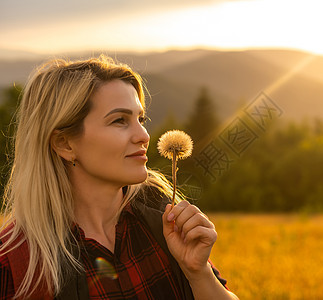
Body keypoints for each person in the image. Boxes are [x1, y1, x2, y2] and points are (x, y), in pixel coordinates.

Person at [0, 55, 239, 300]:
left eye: (140, 119)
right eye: (119, 121)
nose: (144, 135)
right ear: (64, 143)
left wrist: (198, 272)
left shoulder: (160, 211)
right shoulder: (17, 263)